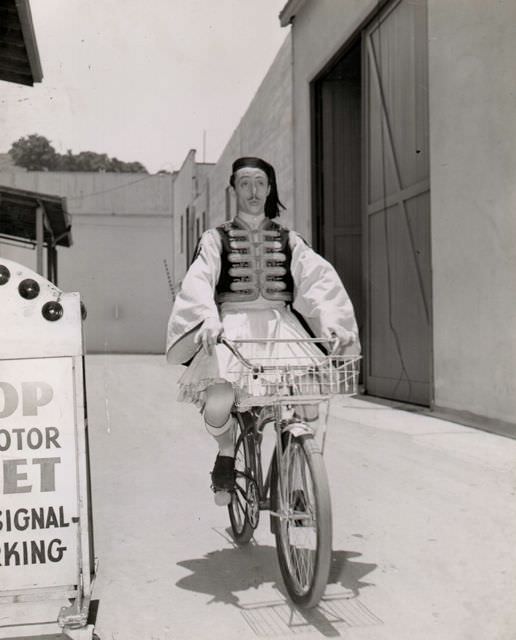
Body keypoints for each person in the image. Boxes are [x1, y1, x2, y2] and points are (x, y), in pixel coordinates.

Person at [166, 157, 359, 504]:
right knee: (220, 396)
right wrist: (208, 318)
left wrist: (333, 322)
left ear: (269, 188)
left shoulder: (289, 239)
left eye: (259, 183)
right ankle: (226, 451)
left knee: (308, 396)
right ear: (234, 189)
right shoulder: (215, 238)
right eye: (244, 183)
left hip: (280, 328)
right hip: (231, 326)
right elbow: (198, 280)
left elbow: (318, 280)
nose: (253, 191)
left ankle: (297, 476)